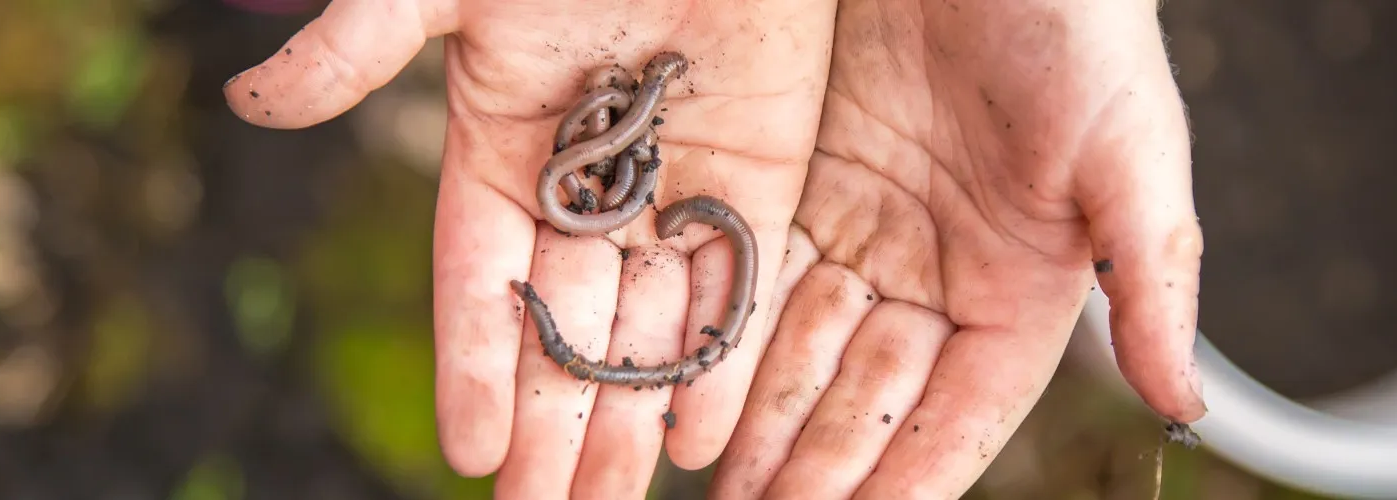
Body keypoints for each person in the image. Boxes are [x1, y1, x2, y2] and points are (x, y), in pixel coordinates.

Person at [222, 0, 1207, 497]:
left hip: (619, 158)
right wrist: (620, 138)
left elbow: (618, 132)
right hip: (613, 158)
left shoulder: (630, 124)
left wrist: (625, 137)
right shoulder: (619, 128)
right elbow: (611, 134)